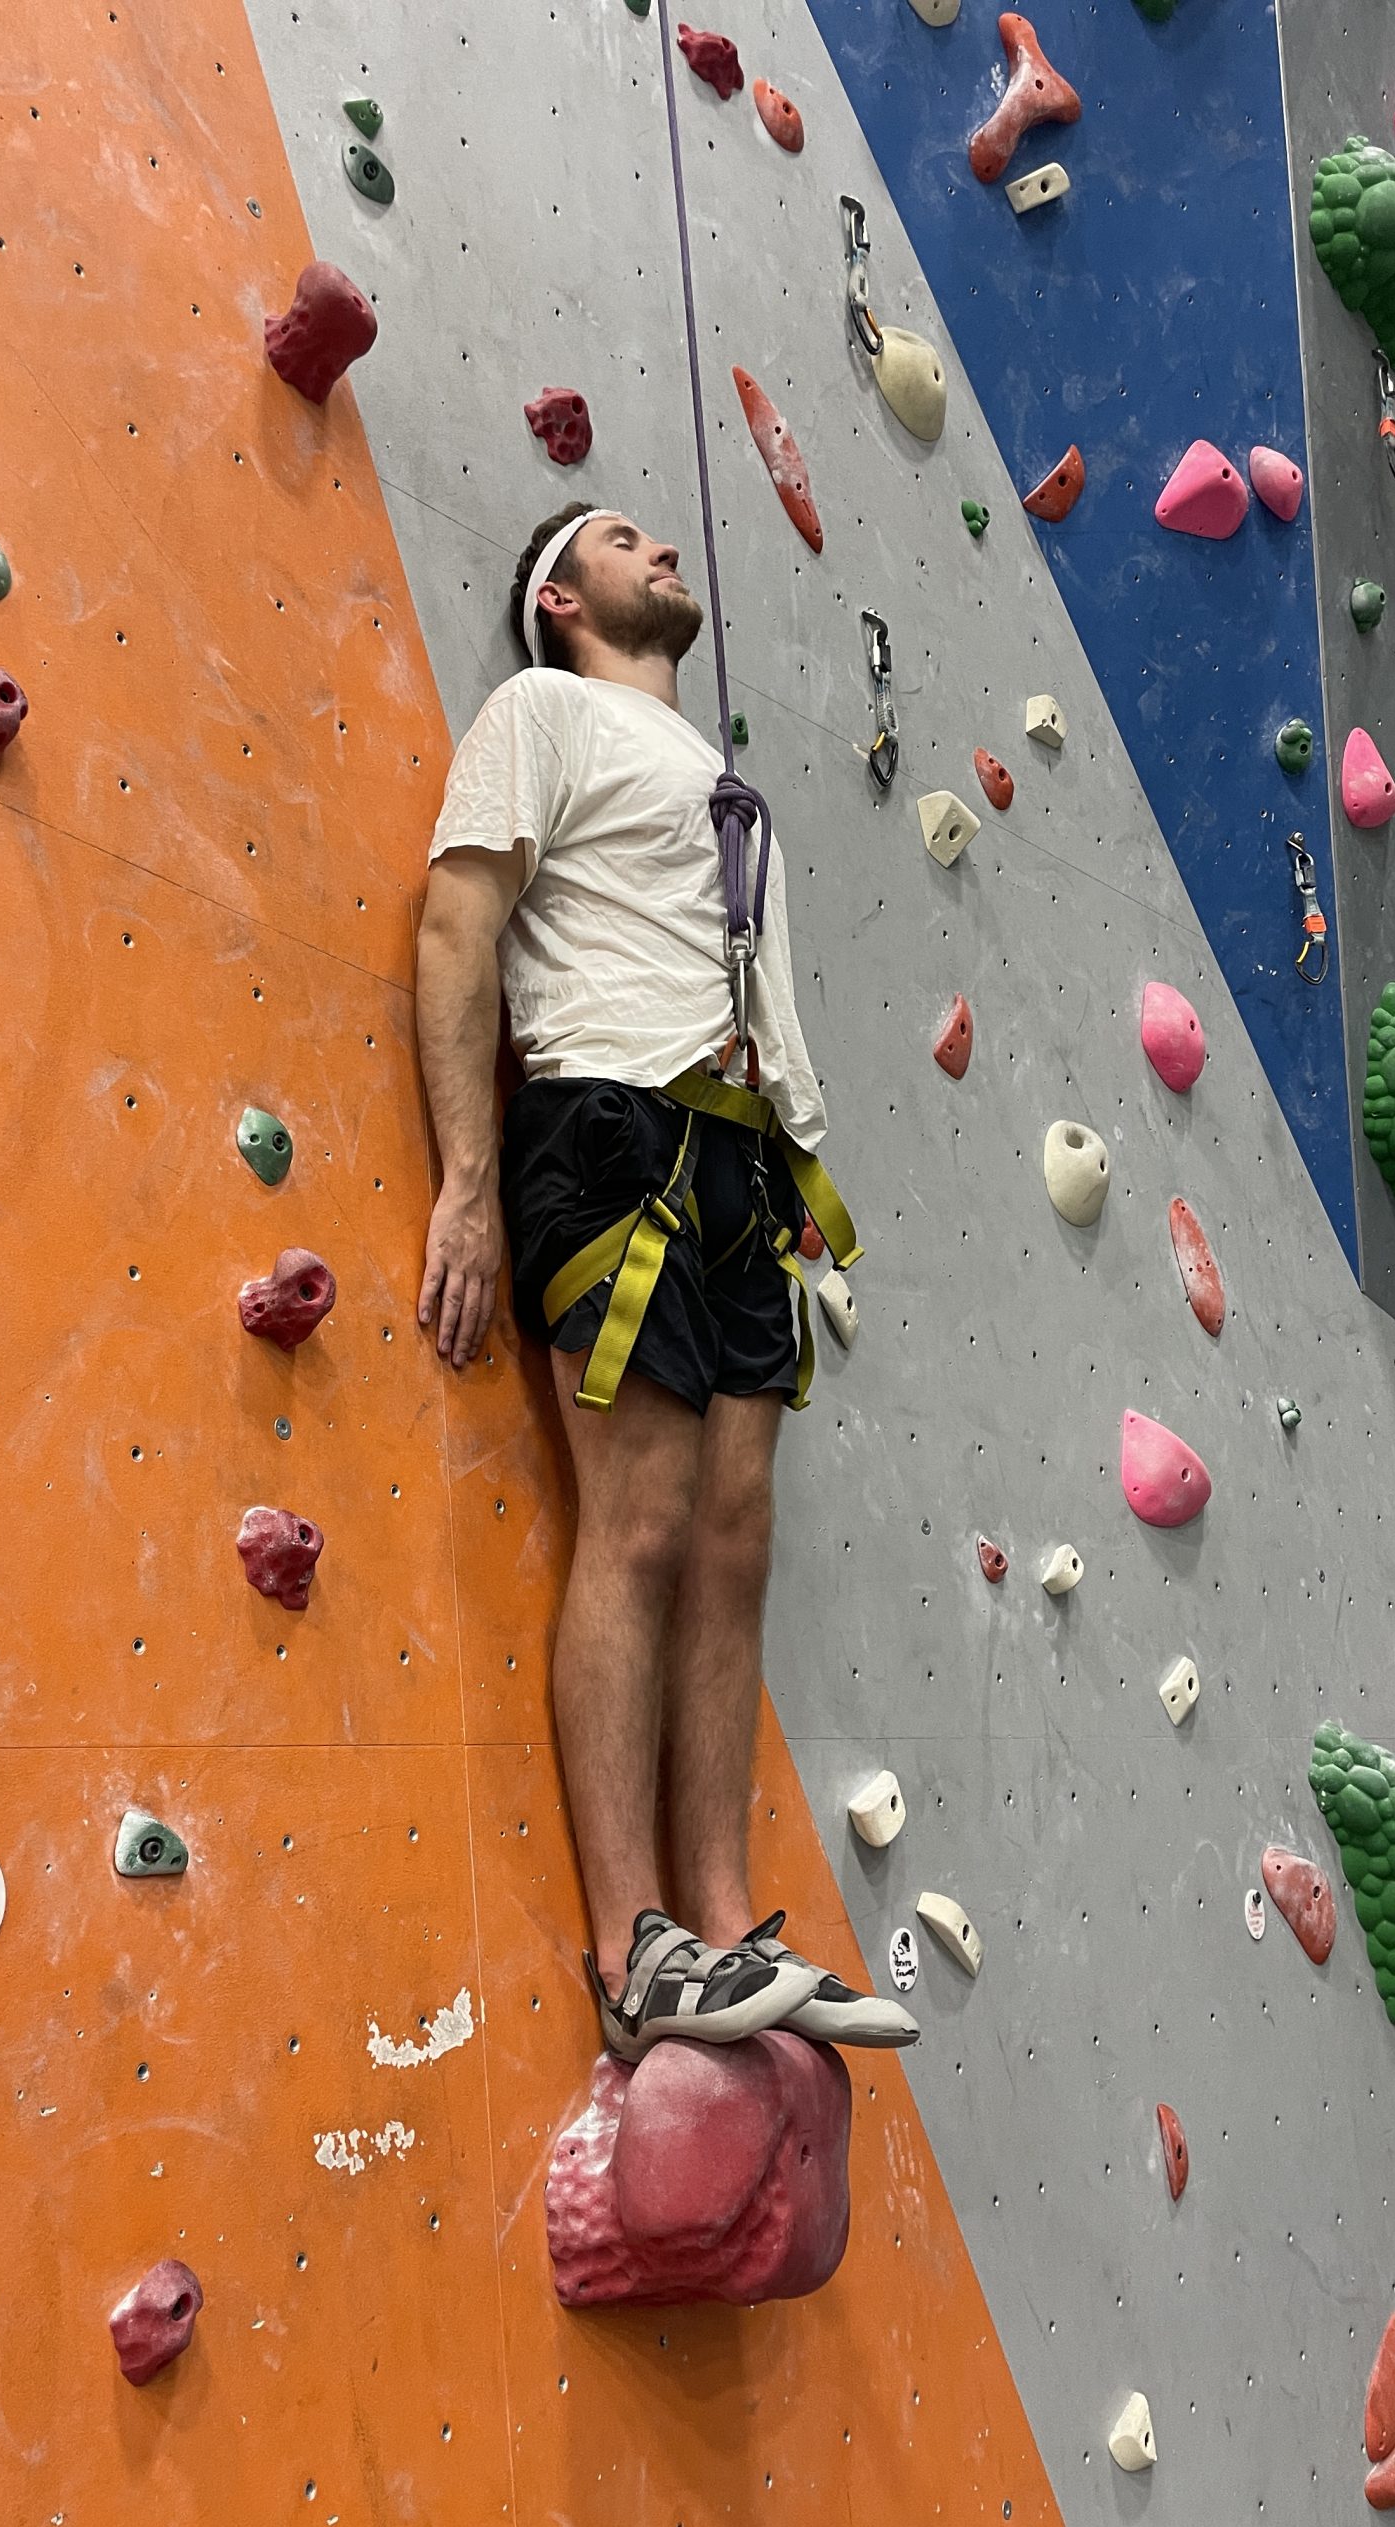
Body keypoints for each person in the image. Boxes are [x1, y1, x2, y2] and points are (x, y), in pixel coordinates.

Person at [414, 505, 916, 2062]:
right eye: (623, 538)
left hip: (740, 1161)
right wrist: (470, 1184)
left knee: (734, 1539)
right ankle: (636, 1952)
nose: (661, 549)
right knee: (635, 1523)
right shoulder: (540, 713)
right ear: (560, 598)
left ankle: (722, 1927)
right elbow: (457, 926)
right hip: (610, 1125)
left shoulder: (729, 786)